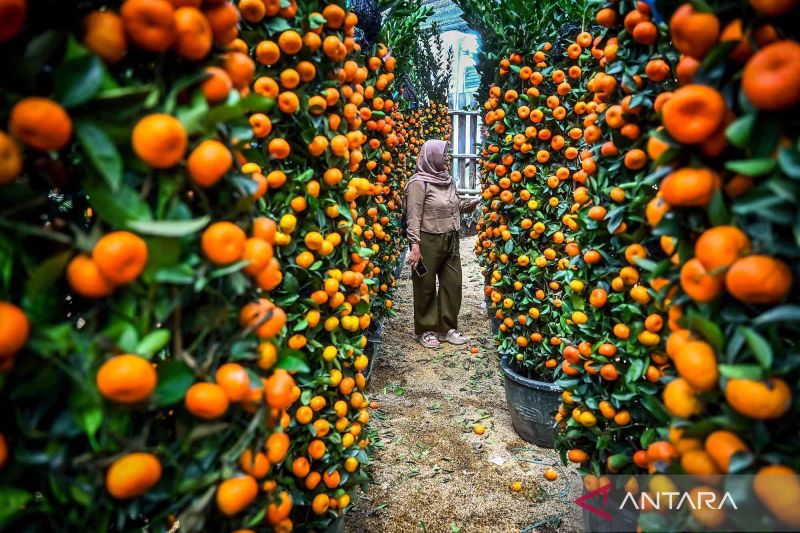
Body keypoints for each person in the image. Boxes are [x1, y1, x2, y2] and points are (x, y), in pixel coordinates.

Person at [405, 139, 480, 348]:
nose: (447, 158)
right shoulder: (418, 184)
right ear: (431, 157)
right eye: (443, 155)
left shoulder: (447, 180)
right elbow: (413, 217)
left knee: (452, 285)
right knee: (425, 286)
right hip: (427, 240)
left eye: (447, 155)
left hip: (451, 239)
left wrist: (473, 203)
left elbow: (454, 205)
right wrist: (415, 246)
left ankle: (446, 329)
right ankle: (425, 330)